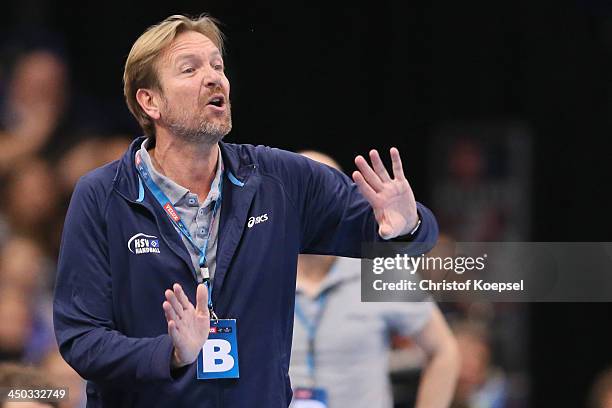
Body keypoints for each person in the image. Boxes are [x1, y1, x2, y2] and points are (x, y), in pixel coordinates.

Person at [53, 14, 439, 408]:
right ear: (150, 101)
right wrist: (169, 354)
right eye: (190, 69)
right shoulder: (103, 195)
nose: (214, 78)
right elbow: (80, 338)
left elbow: (395, 237)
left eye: (217, 66)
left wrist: (408, 226)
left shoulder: (278, 180)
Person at [289, 151, 458, 408]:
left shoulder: (379, 269)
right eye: (303, 193)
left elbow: (444, 351)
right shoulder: (259, 269)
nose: (314, 207)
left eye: (323, 194)